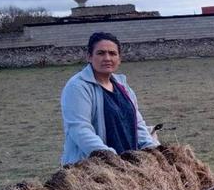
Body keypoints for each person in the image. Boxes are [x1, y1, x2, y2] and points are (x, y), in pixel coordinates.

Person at [60, 32, 158, 165]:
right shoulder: (77, 87)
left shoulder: (123, 86)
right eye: (100, 53)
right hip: (92, 168)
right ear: (89, 56)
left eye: (112, 53)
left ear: (119, 58)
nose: (107, 58)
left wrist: (151, 150)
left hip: (128, 166)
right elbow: (80, 130)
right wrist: (111, 158)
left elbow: (138, 124)